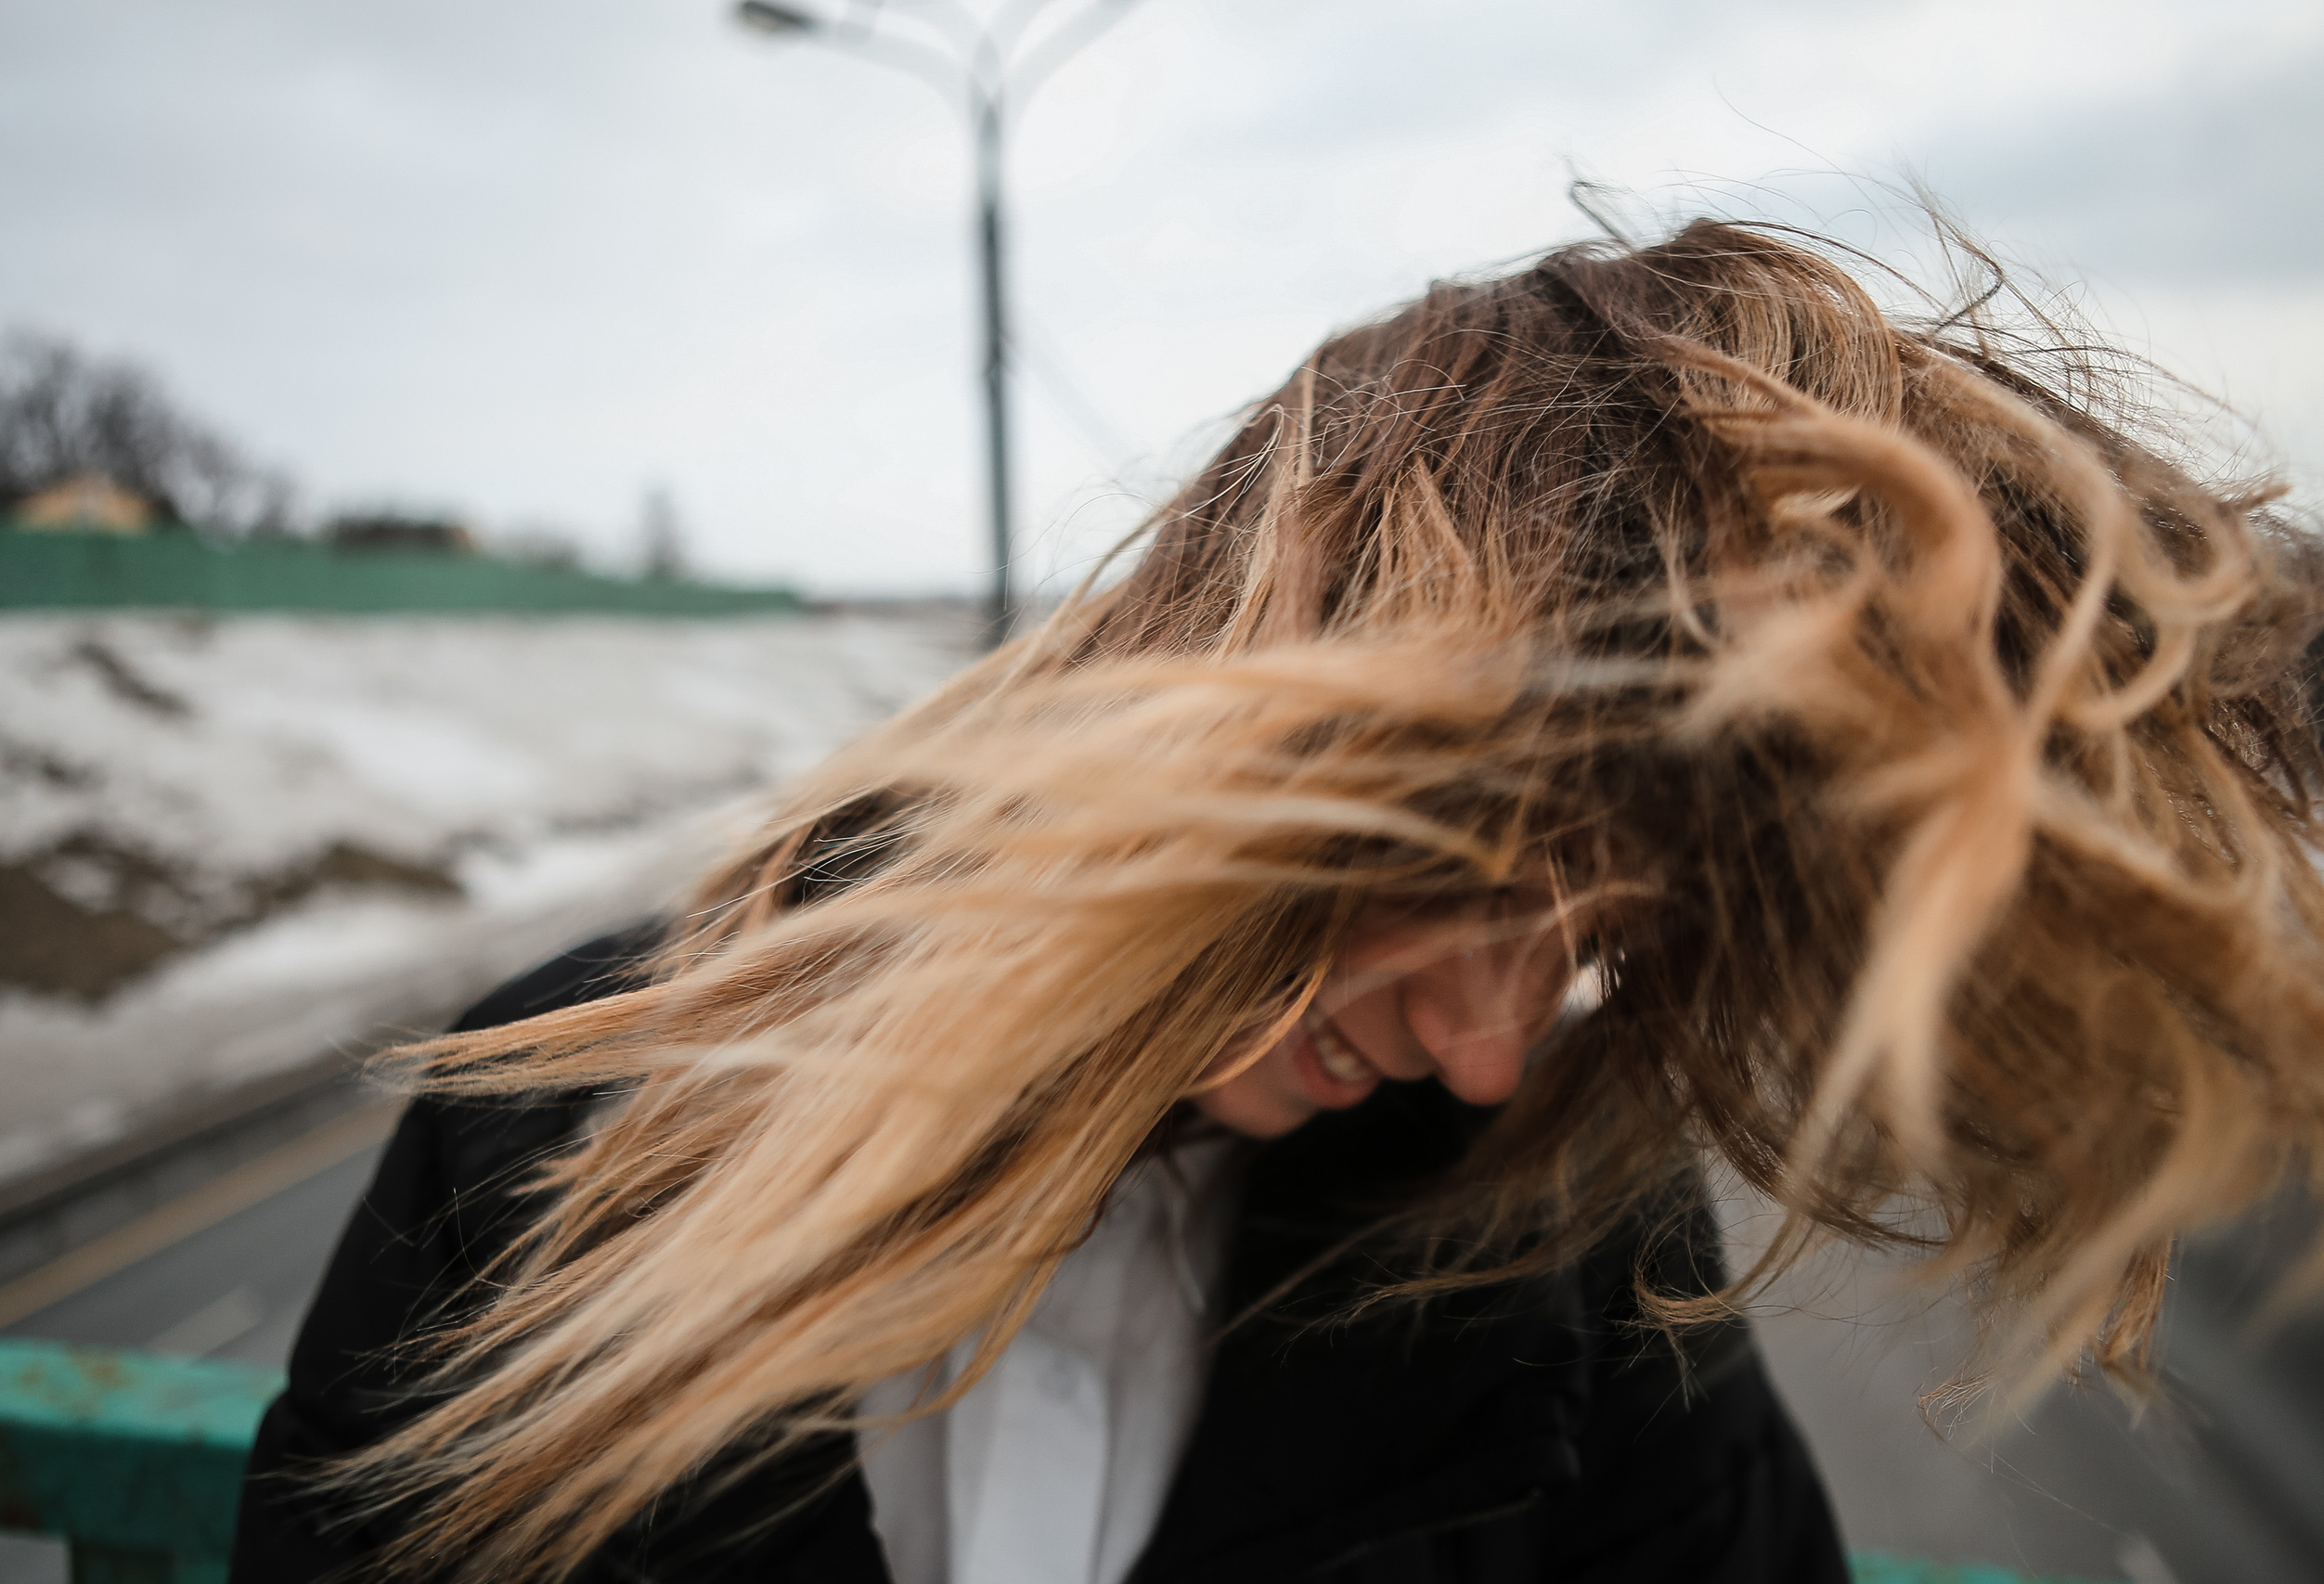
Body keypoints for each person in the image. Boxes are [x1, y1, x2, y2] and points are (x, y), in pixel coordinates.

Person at [231, 219, 2324, 1584]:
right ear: (1233, 718)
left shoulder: (1553, 1241)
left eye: (1597, 939)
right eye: (1475, 867)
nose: (1495, 1044)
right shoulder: (550, 1144)